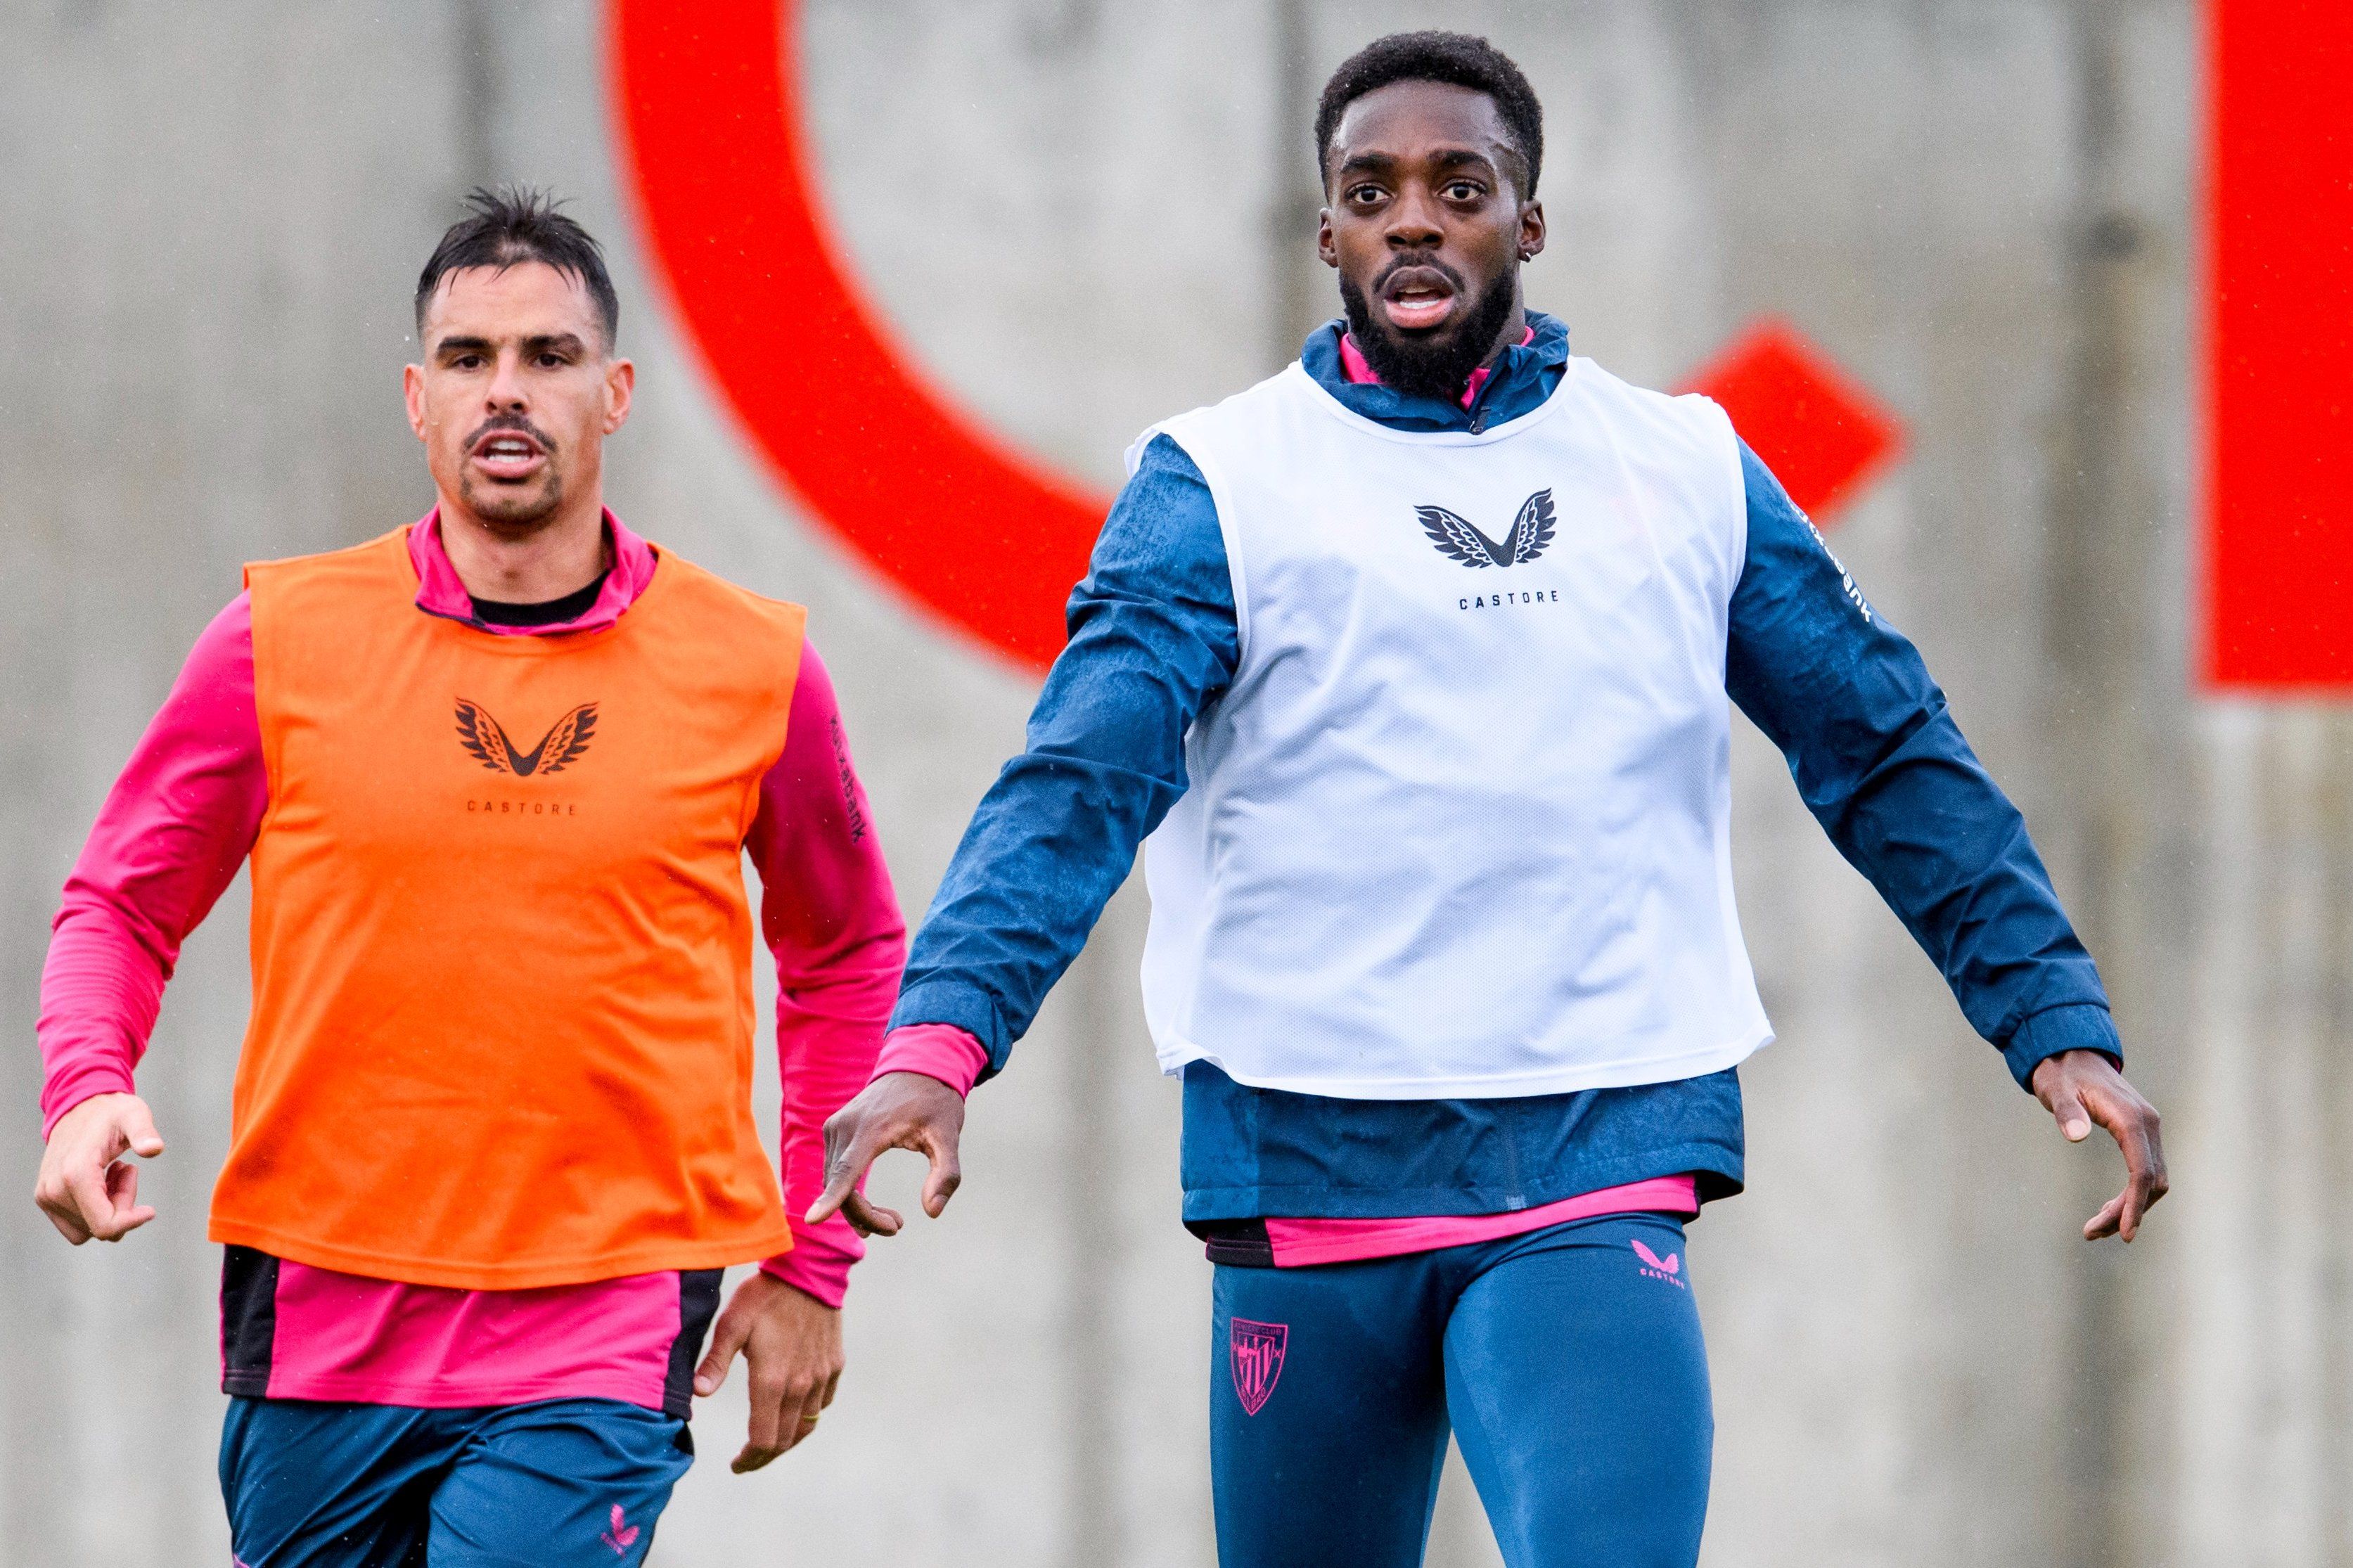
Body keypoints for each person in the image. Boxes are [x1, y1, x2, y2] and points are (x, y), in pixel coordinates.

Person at [810, 31, 2168, 1568]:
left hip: (1593, 1149)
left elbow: (1885, 748)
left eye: (1460, 186)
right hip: (1302, 1161)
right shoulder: (1216, 484)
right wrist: (939, 1040)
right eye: (1368, 189)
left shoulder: (1683, 467)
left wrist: (2049, 1015)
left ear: (1527, 222)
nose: (1412, 217)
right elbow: (1075, 783)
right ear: (1323, 230)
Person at [32, 188, 904, 1567]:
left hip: (606, 1315)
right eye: (469, 357)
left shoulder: (753, 668)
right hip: (320, 1312)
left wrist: (810, 1258)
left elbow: (845, 951)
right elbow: (120, 901)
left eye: (549, 356)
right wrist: (85, 1082)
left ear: (615, 392)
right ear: (414, 398)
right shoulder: (277, 642)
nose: (508, 390)